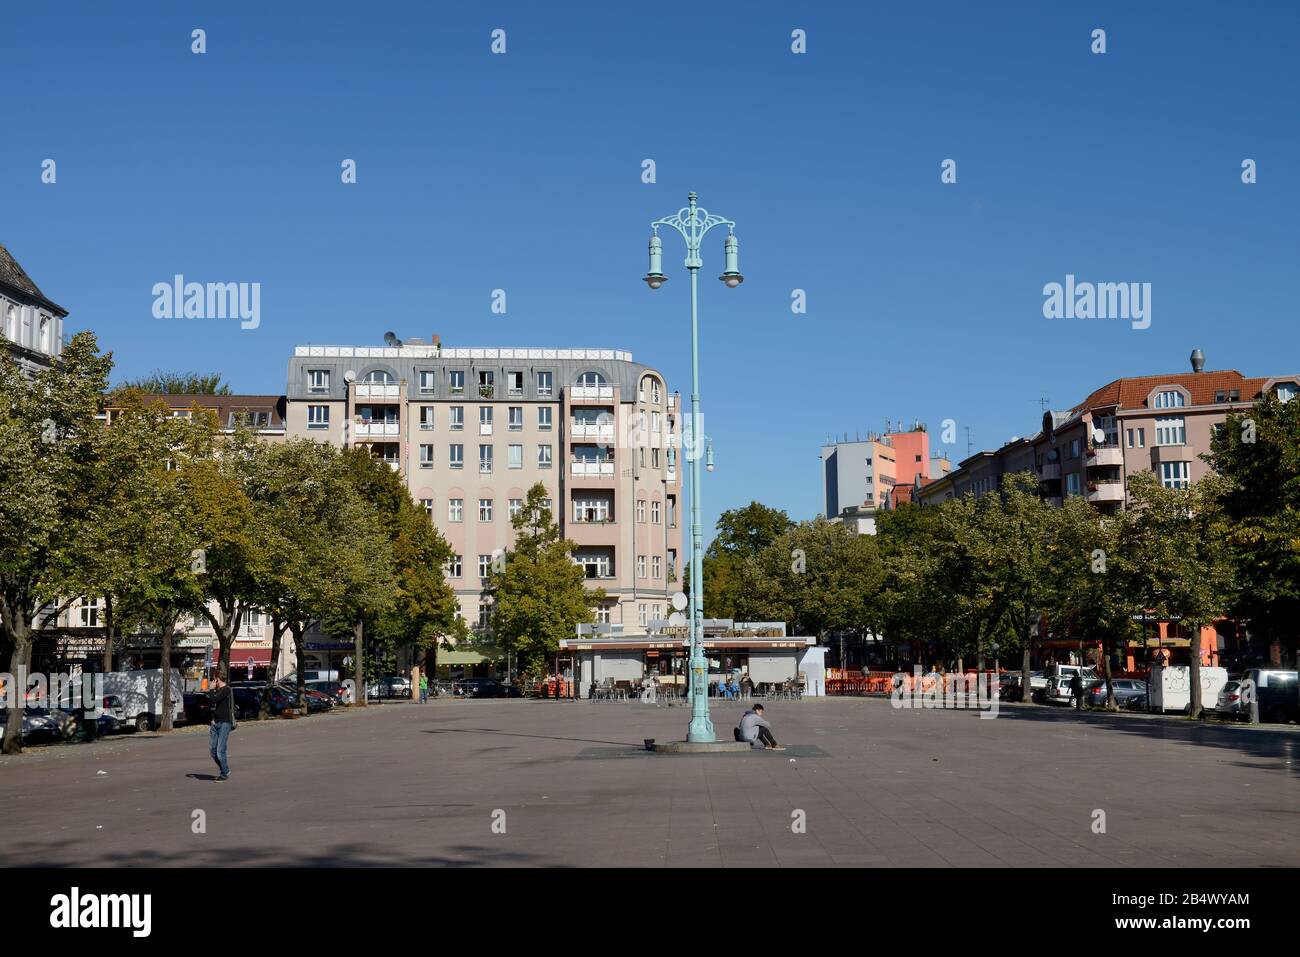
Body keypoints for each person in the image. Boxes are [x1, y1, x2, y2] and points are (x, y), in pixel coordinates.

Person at [208, 671, 235, 781]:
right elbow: (214, 705)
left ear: (218, 679)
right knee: (213, 750)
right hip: (216, 723)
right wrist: (213, 719)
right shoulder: (218, 690)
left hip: (225, 723)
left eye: (215, 680)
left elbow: (214, 699)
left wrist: (211, 689)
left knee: (220, 750)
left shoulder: (227, 690)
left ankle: (224, 773)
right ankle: (225, 769)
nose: (214, 682)